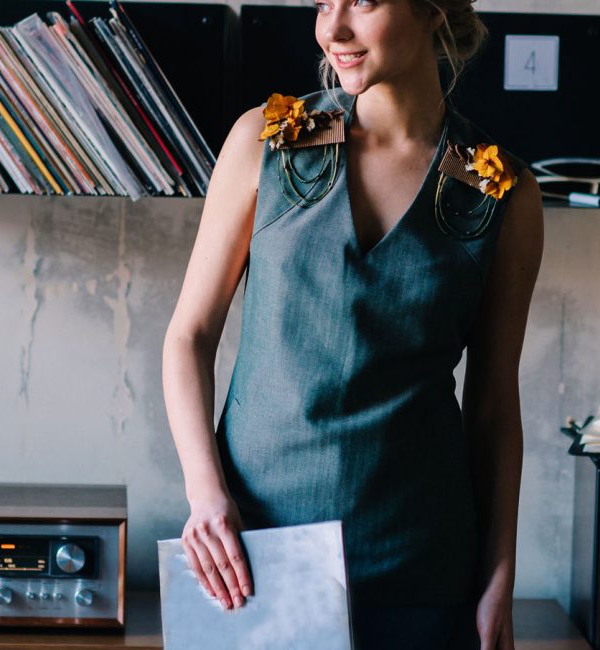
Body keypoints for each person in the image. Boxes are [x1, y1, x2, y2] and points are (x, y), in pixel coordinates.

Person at [161, 0, 544, 647]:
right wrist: (206, 495)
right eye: (321, 3)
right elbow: (188, 337)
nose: (331, 29)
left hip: (421, 570)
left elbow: (492, 405)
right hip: (252, 558)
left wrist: (499, 572)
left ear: (432, 9)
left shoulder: (499, 188)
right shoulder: (267, 141)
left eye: (361, 2)